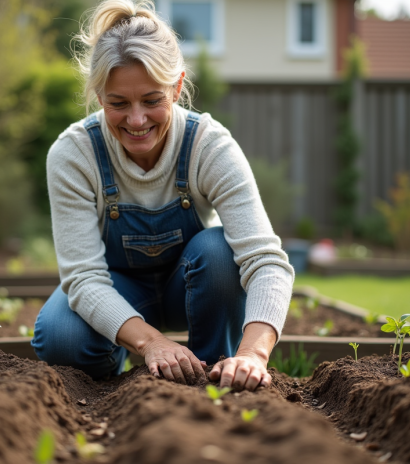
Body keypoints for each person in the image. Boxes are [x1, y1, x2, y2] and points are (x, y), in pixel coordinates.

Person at [31, 0, 294, 391]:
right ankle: (112, 376)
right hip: (116, 289)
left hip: (189, 286)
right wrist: (150, 342)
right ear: (100, 96)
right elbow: (84, 277)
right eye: (118, 103)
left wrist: (253, 354)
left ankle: (215, 368)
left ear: (177, 87)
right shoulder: (74, 154)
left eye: (152, 100)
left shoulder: (209, 146)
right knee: (60, 336)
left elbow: (266, 260)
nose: (136, 121)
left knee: (221, 252)